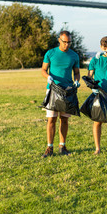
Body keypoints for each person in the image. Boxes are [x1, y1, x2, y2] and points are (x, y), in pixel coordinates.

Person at [41, 30, 81, 158]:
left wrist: (77, 81)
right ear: (59, 40)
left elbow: (76, 72)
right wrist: (48, 77)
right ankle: (49, 147)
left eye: (69, 42)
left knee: (64, 119)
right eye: (65, 42)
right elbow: (43, 69)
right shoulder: (51, 53)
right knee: (51, 119)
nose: (67, 45)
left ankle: (62, 146)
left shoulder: (74, 56)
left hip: (67, 91)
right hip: (53, 89)